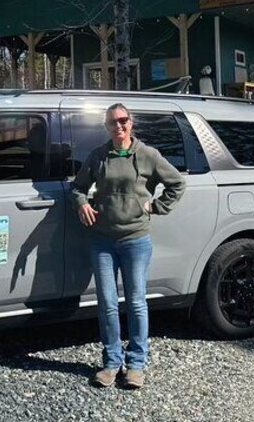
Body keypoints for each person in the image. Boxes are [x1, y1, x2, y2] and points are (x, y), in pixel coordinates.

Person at [71, 103, 185, 390]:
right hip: (102, 240)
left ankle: (135, 364)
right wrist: (81, 203)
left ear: (131, 123)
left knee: (136, 303)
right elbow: (77, 187)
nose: (118, 126)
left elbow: (177, 183)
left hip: (136, 239)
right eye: (112, 122)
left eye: (123, 120)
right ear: (106, 126)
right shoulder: (99, 156)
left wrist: (155, 206)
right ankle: (111, 362)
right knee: (107, 304)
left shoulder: (147, 155)